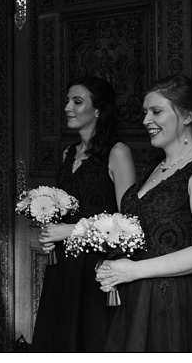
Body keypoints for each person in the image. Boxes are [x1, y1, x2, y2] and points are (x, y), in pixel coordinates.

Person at [95, 75, 192, 351]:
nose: (146, 120)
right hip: (138, 299)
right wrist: (115, 265)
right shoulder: (156, 167)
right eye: (145, 112)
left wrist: (134, 270)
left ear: (187, 116)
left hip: (181, 303)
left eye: (156, 111)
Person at [30, 77, 135, 351]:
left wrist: (70, 230)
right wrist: (50, 233)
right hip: (62, 264)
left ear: (98, 110)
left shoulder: (118, 152)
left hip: (95, 266)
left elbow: (127, 223)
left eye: (77, 101)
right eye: (67, 100)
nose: (67, 107)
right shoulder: (68, 152)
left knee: (90, 340)